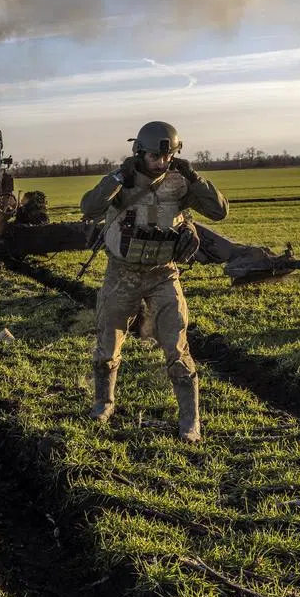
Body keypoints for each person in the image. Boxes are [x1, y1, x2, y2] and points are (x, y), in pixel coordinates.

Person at [79, 122, 229, 442]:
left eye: (168, 156)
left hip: (163, 274)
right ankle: (104, 403)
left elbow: (219, 212)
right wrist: (116, 179)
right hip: (122, 273)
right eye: (154, 157)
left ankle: (190, 421)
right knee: (108, 344)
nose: (162, 163)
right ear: (139, 153)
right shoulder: (122, 181)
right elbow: (89, 208)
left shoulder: (180, 183)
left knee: (177, 346)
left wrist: (196, 179)